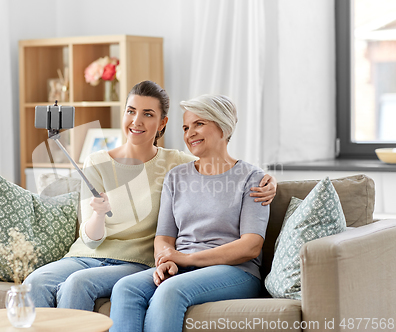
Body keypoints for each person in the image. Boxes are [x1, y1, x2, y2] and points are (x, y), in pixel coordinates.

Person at [24, 82, 275, 311]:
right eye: (131, 111)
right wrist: (99, 214)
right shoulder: (96, 161)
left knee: (77, 284)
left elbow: (220, 165)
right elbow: (90, 241)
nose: (137, 121)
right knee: (33, 282)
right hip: (85, 255)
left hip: (136, 261)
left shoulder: (176, 163)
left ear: (162, 123)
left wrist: (270, 181)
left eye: (148, 114)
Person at [109, 94, 270, 332]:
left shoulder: (253, 178)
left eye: (199, 124)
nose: (189, 133)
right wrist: (167, 260)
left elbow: (250, 247)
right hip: (182, 266)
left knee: (171, 290)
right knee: (125, 288)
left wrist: (186, 259)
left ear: (223, 127)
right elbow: (163, 237)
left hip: (236, 271)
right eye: (185, 127)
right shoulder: (176, 176)